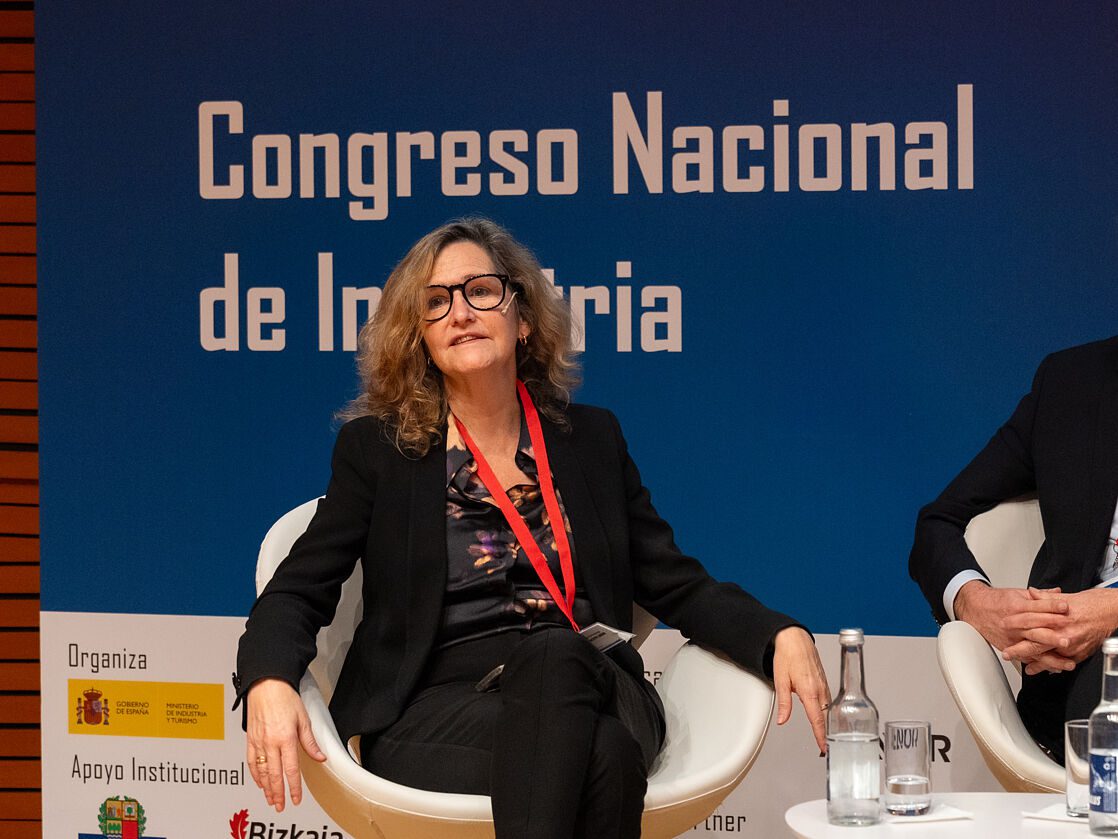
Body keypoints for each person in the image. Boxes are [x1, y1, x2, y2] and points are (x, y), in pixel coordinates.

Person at [234, 217, 830, 838]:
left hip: (597, 682)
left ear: (522, 318)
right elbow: (299, 586)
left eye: (480, 291)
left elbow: (673, 580)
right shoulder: (380, 451)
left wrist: (774, 632)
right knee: (605, 756)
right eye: (436, 303)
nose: (460, 312)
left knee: (556, 654)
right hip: (439, 708)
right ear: (420, 339)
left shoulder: (590, 440)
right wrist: (268, 676)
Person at [909, 336, 1118, 764]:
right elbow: (939, 521)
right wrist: (976, 603)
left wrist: (1110, 611)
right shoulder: (1071, 382)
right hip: (1064, 705)